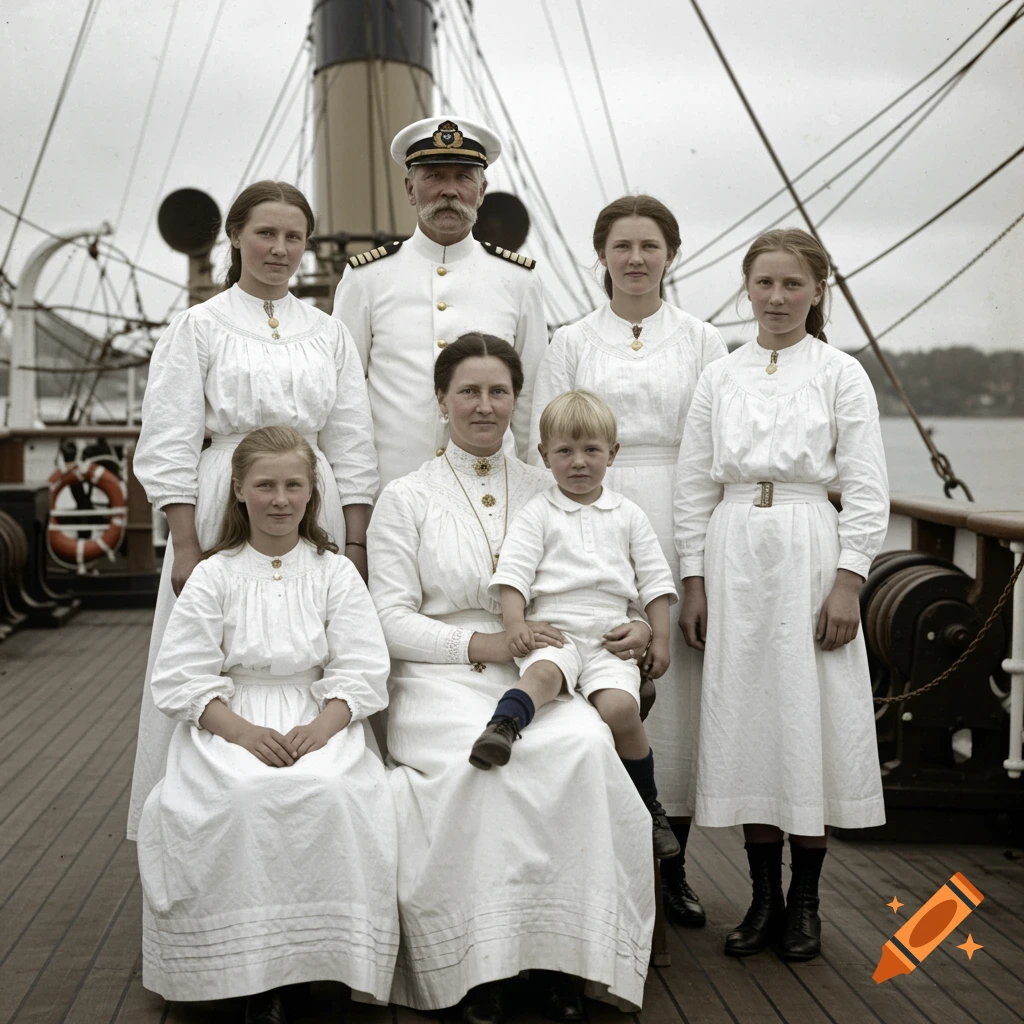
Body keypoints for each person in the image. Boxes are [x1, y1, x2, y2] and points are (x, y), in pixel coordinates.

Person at [368, 334, 655, 1023]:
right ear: (440, 400)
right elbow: (388, 617)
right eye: (468, 390)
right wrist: (482, 639)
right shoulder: (405, 497)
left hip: (545, 670)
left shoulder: (554, 483)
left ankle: (563, 959)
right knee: (476, 769)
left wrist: (642, 625)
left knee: (579, 749)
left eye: (499, 391)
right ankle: (479, 967)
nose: (484, 405)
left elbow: (619, 580)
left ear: (517, 402)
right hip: (440, 673)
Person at [127, 180, 377, 841]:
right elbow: (171, 435)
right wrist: (184, 544)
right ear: (235, 235)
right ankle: (203, 803)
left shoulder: (327, 333)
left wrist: (353, 540)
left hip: (308, 489)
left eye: (293, 236)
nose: (280, 248)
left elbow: (352, 438)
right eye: (266, 233)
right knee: (214, 642)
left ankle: (315, 795)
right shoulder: (200, 326)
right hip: (222, 493)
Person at [674, 228, 888, 961]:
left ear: (817, 290)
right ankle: (762, 898)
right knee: (749, 726)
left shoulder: (839, 373)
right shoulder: (721, 376)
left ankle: (805, 901)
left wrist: (850, 579)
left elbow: (864, 486)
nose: (776, 298)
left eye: (792, 284)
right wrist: (693, 577)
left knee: (805, 723)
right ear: (746, 288)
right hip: (734, 547)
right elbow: (696, 481)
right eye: (764, 284)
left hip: (807, 546)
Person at [136, 426, 397, 1021]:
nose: (280, 499)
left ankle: (314, 967)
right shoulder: (215, 573)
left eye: (293, 486)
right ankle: (247, 974)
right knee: (241, 793)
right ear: (238, 491)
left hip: (318, 715)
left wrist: (325, 727)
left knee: (331, 789)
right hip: (232, 720)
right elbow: (181, 674)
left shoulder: (334, 572)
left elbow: (361, 665)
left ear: (312, 494)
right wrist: (242, 733)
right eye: (265, 486)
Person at [528, 195, 726, 926]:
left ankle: (671, 865)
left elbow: (711, 452)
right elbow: (542, 442)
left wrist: (697, 570)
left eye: (650, 245)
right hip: (588, 520)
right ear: (602, 256)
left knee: (676, 703)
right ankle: (605, 859)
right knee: (599, 682)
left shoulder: (704, 340)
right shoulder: (572, 341)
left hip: (679, 513)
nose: (636, 258)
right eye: (622, 246)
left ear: (671, 254)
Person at [477, 389, 680, 861]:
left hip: (611, 636)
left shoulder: (629, 515)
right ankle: (502, 728)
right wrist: (514, 624)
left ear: (613, 453)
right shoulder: (538, 513)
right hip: (556, 629)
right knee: (542, 675)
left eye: (591, 450)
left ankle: (648, 806)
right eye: (564, 451)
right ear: (545, 456)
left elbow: (654, 582)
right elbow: (514, 576)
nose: (579, 462)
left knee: (620, 710)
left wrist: (660, 638)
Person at [333, 116, 547, 489]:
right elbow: (343, 400)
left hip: (495, 493)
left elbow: (532, 403)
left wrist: (535, 493)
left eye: (463, 177)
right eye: (433, 176)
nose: (449, 190)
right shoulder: (365, 278)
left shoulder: (519, 281)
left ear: (481, 192)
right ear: (410, 189)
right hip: (391, 490)